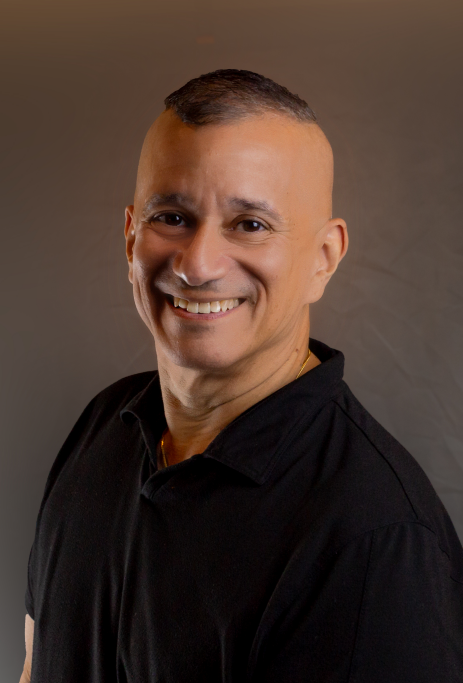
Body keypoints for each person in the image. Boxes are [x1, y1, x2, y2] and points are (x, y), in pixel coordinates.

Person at [20, 69, 463, 683]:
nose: (198, 263)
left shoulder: (376, 541)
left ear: (322, 259)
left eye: (249, 224)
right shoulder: (101, 430)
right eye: (171, 217)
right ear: (129, 238)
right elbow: (36, 662)